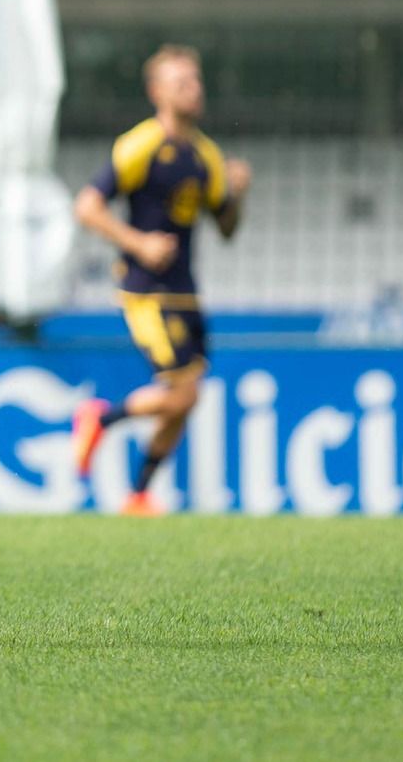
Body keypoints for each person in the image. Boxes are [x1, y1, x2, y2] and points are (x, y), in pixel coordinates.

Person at [70, 45, 251, 514]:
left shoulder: (207, 155)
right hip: (146, 289)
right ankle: (99, 419)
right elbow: (87, 206)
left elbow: (226, 228)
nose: (194, 89)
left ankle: (138, 494)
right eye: (182, 82)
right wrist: (139, 243)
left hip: (186, 292)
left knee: (184, 400)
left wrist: (237, 195)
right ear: (157, 92)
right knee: (183, 394)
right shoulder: (141, 145)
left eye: (196, 80)